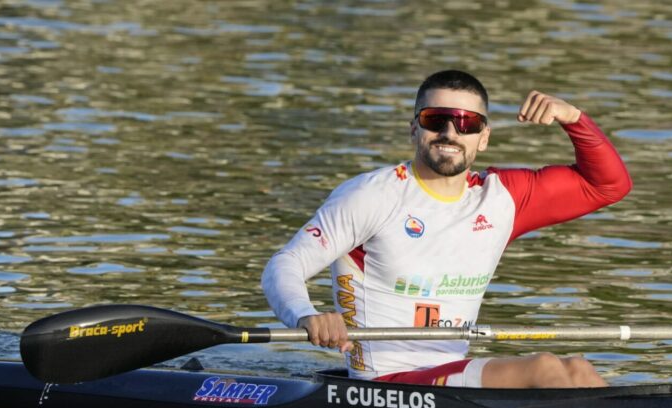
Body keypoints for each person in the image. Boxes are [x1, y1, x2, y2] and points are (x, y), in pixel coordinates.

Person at [262, 70, 631, 388]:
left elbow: (609, 185)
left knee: (578, 368)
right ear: (414, 129)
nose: (450, 132)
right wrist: (306, 314)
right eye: (435, 119)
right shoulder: (371, 196)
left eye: (467, 123)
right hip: (387, 382)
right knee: (546, 368)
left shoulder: (502, 198)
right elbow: (286, 264)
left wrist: (574, 118)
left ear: (483, 138)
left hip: (450, 378)